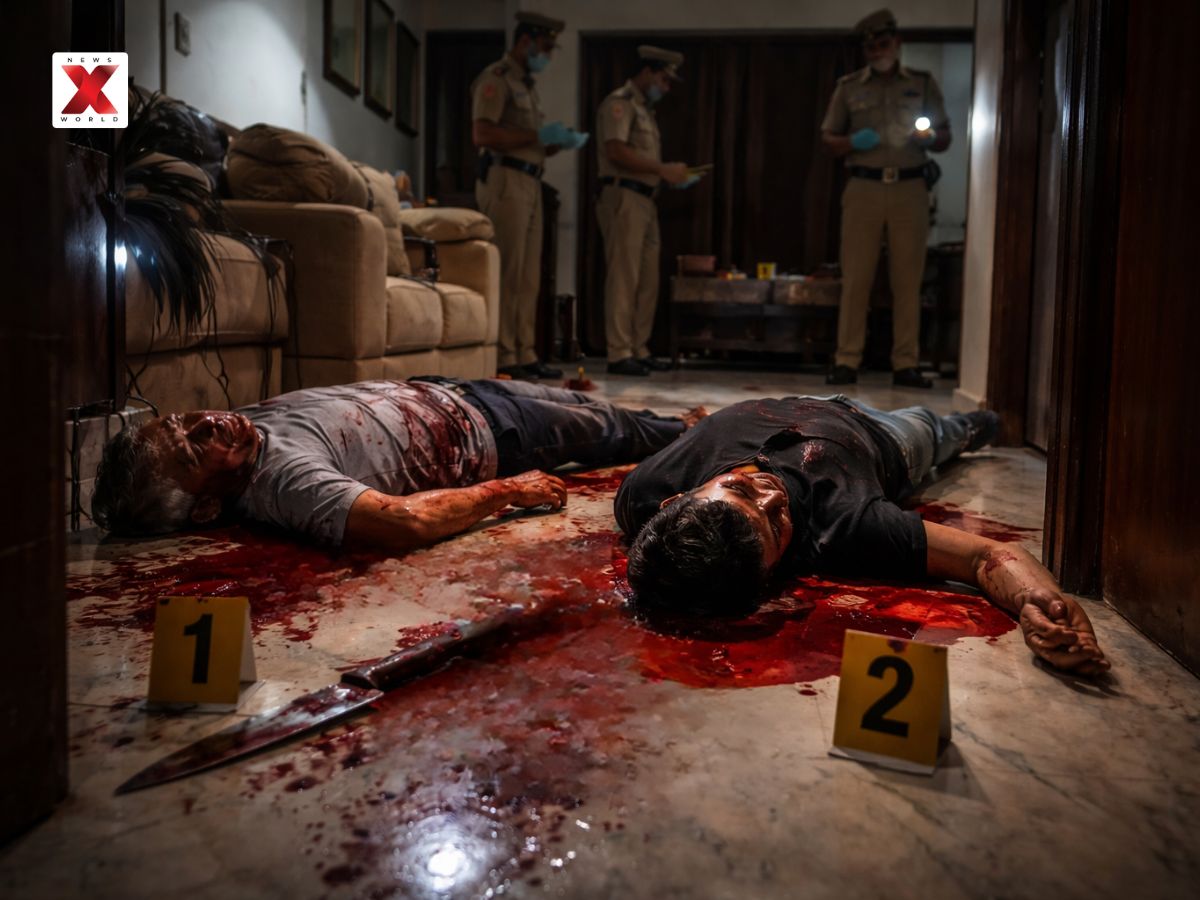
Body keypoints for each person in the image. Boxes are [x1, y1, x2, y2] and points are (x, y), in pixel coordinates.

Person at [617, 396, 1109, 676]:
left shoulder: (645, 491)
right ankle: (979, 422)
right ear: (772, 572)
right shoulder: (844, 527)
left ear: (675, 499)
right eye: (777, 524)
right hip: (882, 433)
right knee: (939, 430)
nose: (772, 495)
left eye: (740, 488)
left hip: (793, 400)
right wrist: (1040, 602)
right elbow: (985, 556)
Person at [91, 378, 697, 554]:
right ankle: (692, 434)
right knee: (610, 430)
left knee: (592, 407)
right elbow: (401, 521)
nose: (208, 420)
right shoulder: (280, 481)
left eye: (183, 418)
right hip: (486, 433)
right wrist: (507, 490)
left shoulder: (239, 433)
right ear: (205, 507)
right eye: (194, 448)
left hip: (447, 390)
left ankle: (670, 422)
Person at [820, 8, 952, 390]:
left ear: (897, 42)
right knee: (856, 278)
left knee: (908, 280)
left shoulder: (922, 84)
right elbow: (828, 138)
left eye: (882, 43)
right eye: (870, 47)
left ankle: (905, 364)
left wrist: (930, 138)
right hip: (864, 187)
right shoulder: (849, 87)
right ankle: (846, 360)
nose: (877, 51)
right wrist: (851, 142)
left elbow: (945, 136)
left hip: (910, 188)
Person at [471, 11, 589, 381]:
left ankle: (524, 351)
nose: (548, 55)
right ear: (526, 41)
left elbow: (526, 139)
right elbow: (483, 134)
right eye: (546, 47)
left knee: (528, 275)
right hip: (505, 179)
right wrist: (537, 136)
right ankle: (505, 354)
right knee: (509, 269)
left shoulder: (527, 85)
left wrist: (553, 143)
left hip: (531, 181)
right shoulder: (496, 78)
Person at [595, 45, 699, 377]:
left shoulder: (645, 110)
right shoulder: (620, 102)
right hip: (623, 196)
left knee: (646, 278)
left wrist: (666, 176)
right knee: (624, 277)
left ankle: (638, 348)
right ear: (647, 72)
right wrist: (662, 169)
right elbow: (615, 151)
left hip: (646, 199)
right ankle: (619, 352)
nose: (665, 88)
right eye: (663, 79)